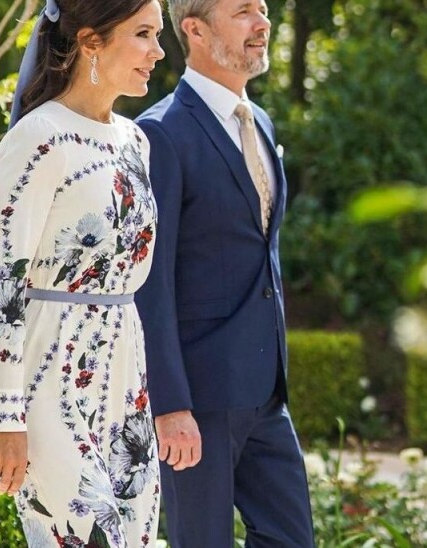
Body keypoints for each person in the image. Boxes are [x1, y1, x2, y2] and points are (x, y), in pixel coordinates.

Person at [0, 0, 166, 545]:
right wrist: (6, 418)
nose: (158, 52)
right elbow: (4, 288)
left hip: (125, 375)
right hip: (50, 377)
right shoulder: (38, 138)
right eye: (144, 34)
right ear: (91, 42)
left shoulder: (137, 141)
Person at [134, 0, 316, 546]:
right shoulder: (160, 133)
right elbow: (150, 283)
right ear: (194, 29)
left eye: (262, 10)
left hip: (265, 395)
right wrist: (169, 406)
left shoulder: (259, 121)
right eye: (243, 12)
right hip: (199, 401)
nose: (262, 23)